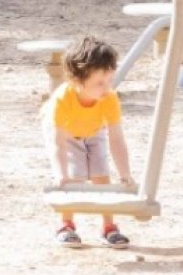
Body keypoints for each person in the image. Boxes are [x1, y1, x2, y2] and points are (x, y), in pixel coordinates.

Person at [47, 37, 134, 247]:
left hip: (94, 131)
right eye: (99, 83)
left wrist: (125, 174)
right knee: (73, 179)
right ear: (77, 81)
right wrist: (61, 174)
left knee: (101, 177)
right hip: (68, 134)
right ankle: (66, 225)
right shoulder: (61, 100)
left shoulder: (109, 98)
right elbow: (57, 142)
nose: (106, 88)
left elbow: (116, 139)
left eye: (109, 80)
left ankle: (109, 227)